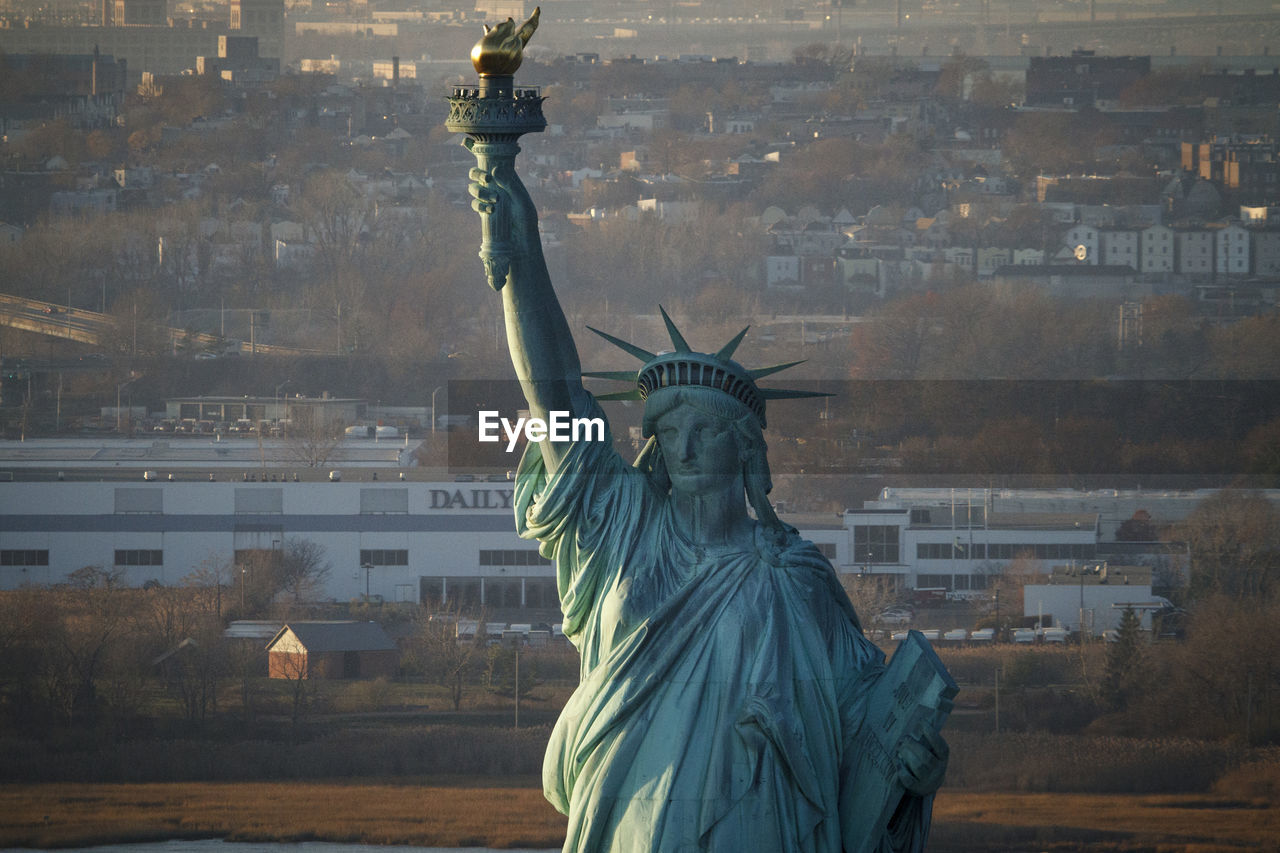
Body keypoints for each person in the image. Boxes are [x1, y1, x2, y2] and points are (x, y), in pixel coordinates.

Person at [468, 162, 948, 853]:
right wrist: (523, 252)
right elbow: (557, 400)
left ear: (747, 448)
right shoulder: (624, 527)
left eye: (706, 430)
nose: (685, 447)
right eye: (667, 431)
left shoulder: (794, 577)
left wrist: (917, 769)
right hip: (627, 819)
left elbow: (861, 718)